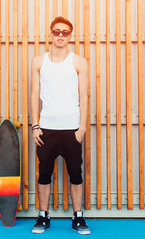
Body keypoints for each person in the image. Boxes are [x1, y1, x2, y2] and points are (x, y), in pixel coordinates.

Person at [30, 16, 90, 235]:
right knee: (44, 173)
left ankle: (78, 217)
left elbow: (84, 96)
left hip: (72, 128)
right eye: (57, 31)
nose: (61, 36)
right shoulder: (38, 61)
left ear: (70, 36)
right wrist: (35, 125)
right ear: (51, 34)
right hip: (46, 128)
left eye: (65, 32)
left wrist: (82, 128)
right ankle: (43, 216)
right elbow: (35, 93)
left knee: (76, 173)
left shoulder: (79, 62)